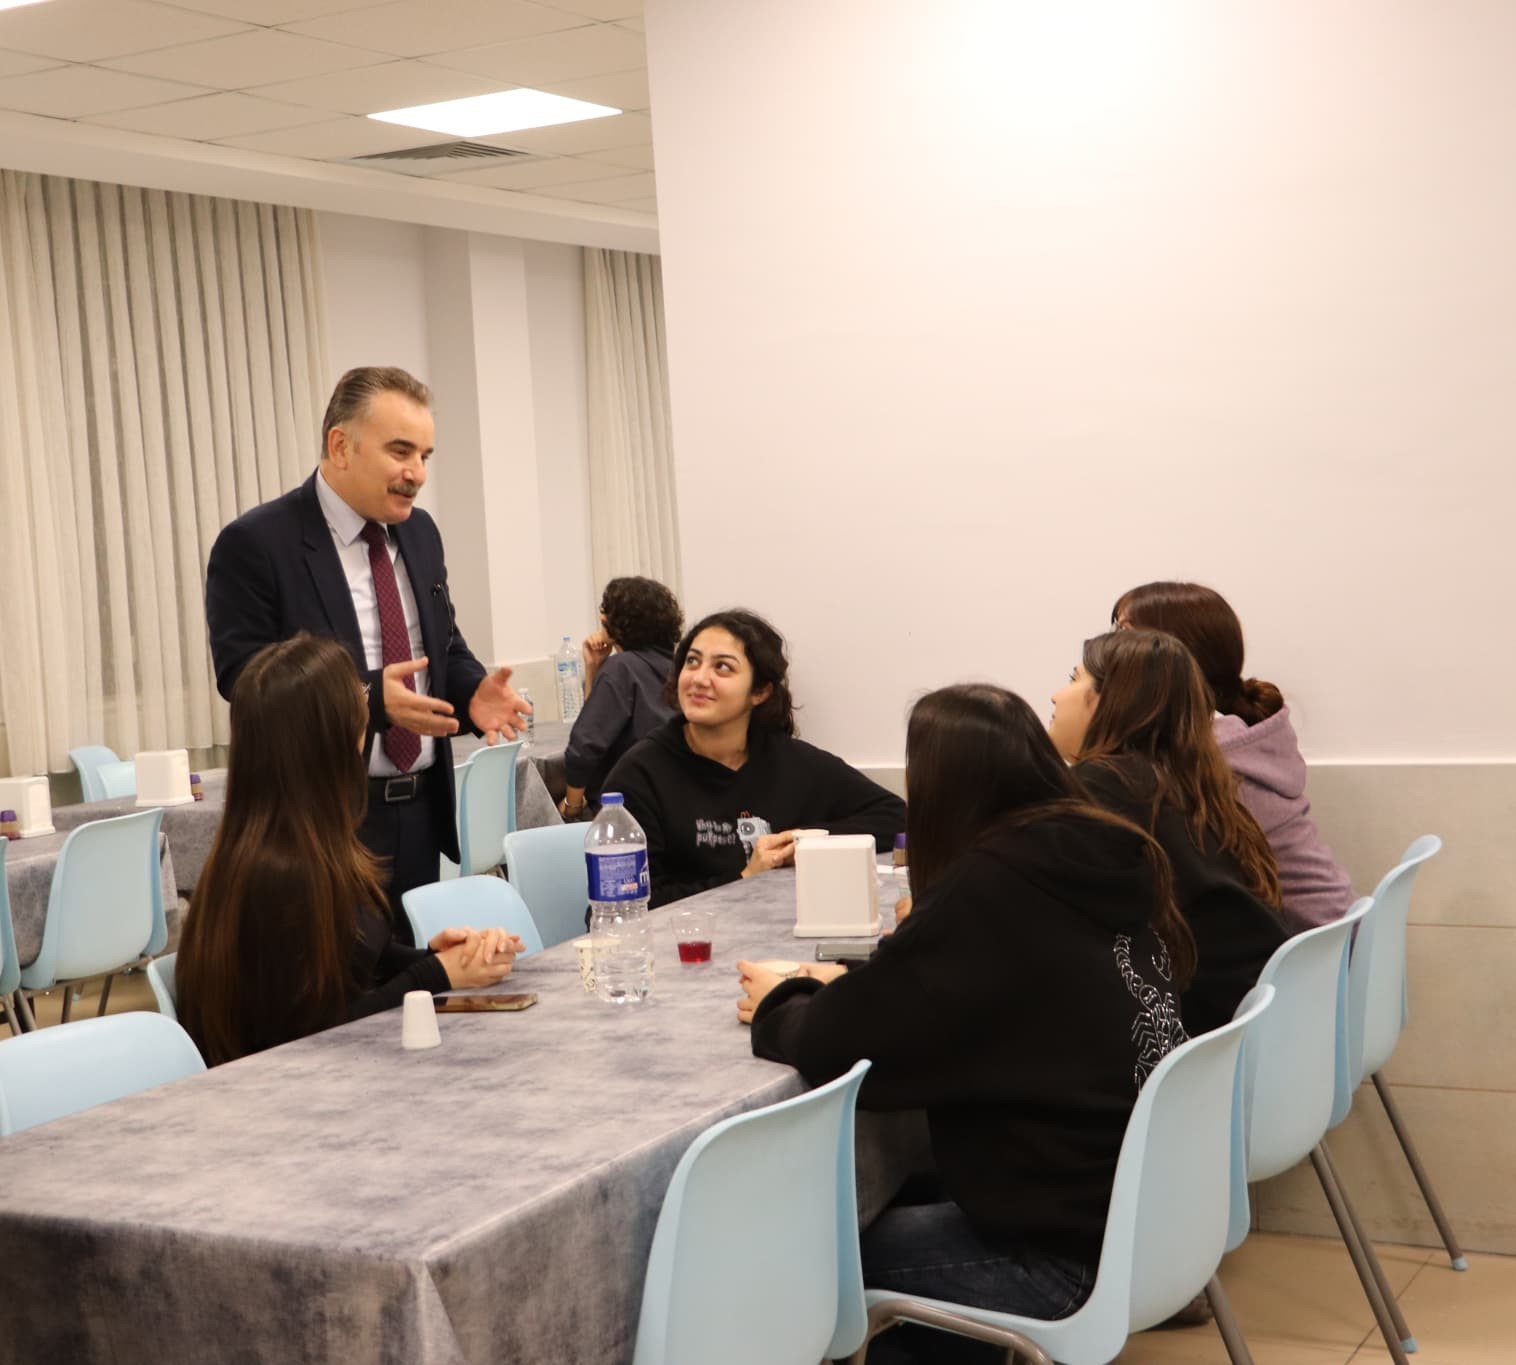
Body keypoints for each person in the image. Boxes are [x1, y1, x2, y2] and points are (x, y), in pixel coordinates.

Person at [737, 685, 1196, 1365]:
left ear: (943, 786)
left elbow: (842, 1042)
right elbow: (939, 998)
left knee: (779, 1253)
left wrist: (786, 997)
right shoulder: (1095, 855)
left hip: (1055, 1258)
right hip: (1151, 1225)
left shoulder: (993, 885)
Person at [205, 367, 530, 937]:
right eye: (401, 451)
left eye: (426, 455)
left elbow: (442, 644)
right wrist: (364, 698)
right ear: (341, 446)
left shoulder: (421, 533)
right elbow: (247, 683)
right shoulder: (256, 544)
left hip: (421, 811)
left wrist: (470, 688)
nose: (417, 474)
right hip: (322, 824)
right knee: (351, 1008)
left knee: (422, 990)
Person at [176, 634, 521, 1066]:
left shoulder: (298, 843)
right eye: (358, 694)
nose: (367, 702)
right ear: (326, 737)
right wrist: (435, 974)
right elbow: (319, 1032)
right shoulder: (280, 874)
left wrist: (434, 959)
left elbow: (347, 967)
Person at [1049, 628, 1286, 1035]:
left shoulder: (1106, 783)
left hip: (1201, 1045)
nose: (1056, 696)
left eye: (1073, 679)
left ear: (1107, 701)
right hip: (1257, 1029)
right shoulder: (1182, 780)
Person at [602, 609, 905, 908]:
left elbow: (898, 817)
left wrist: (805, 842)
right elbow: (626, 905)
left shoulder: (789, 760)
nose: (699, 678)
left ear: (759, 691)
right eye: (692, 662)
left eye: (722, 667)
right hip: (684, 947)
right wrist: (745, 877)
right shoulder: (640, 773)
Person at [1112, 581, 1356, 930]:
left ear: (1175, 653)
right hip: (1332, 940)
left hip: (1308, 959)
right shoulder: (1237, 738)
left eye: (1124, 634)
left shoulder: (1207, 761)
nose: (1109, 651)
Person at [558, 576, 682, 820]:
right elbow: (596, 718)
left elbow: (584, 746)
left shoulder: (622, 669)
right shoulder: (680, 667)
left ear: (612, 624)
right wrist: (594, 668)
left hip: (623, 809)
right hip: (672, 803)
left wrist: (572, 806)